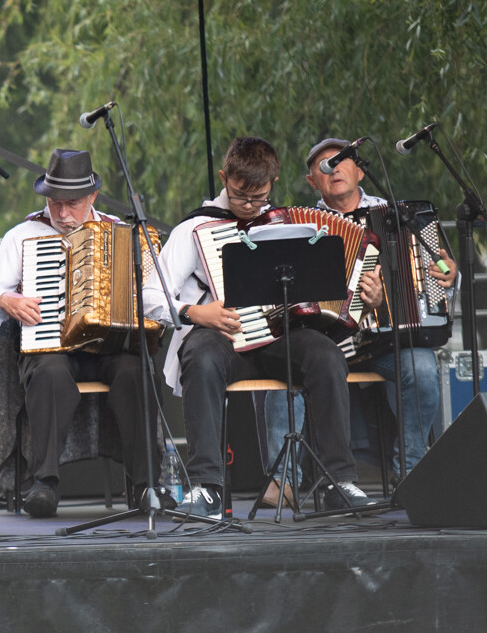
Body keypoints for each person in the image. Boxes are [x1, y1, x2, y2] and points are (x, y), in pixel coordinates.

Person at [141, 136, 375, 518]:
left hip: (278, 339)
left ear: (273, 183)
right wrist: (194, 313)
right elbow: (150, 294)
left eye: (259, 197)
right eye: (240, 196)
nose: (249, 206)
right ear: (224, 178)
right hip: (222, 337)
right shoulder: (195, 227)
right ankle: (206, 486)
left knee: (326, 355)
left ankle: (338, 481)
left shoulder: (288, 224)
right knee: (199, 357)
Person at [262, 138, 457, 484]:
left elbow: (437, 267)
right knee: (285, 377)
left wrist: (447, 273)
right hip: (326, 344)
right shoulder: (300, 225)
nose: (335, 169)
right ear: (312, 181)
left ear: (361, 171)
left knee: (423, 368)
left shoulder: (397, 216)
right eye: (324, 166)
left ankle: (410, 471)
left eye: (342, 161)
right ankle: (284, 483)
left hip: (383, 343)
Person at [0, 148, 162, 517]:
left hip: (109, 348)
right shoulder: (22, 236)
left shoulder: (120, 233)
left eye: (72, 203)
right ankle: (44, 483)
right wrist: (7, 299)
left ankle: (146, 484)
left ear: (93, 196)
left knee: (134, 371)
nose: (63, 214)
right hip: (50, 347)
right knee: (49, 372)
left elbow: (150, 295)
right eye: (55, 203)